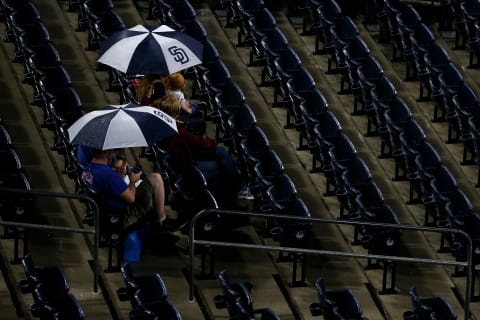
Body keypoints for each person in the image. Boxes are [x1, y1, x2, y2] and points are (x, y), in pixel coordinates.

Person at [153, 95, 248, 206]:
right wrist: (213, 142)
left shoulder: (164, 127)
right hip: (190, 170)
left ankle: (233, 188)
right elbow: (202, 144)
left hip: (180, 163)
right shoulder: (179, 132)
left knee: (221, 152)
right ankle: (236, 189)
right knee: (221, 160)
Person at [81, 148, 170, 230]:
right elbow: (131, 198)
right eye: (112, 152)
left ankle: (156, 217)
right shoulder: (110, 176)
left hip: (102, 214)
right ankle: (161, 220)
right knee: (156, 178)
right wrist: (133, 181)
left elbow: (110, 187)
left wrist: (121, 176)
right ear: (105, 152)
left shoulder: (87, 169)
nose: (113, 155)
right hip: (122, 216)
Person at [168, 72, 206, 136]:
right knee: (194, 108)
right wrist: (190, 110)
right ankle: (199, 107)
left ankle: (198, 107)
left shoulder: (168, 90)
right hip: (179, 114)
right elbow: (184, 108)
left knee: (193, 106)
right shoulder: (179, 95)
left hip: (174, 110)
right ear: (182, 86)